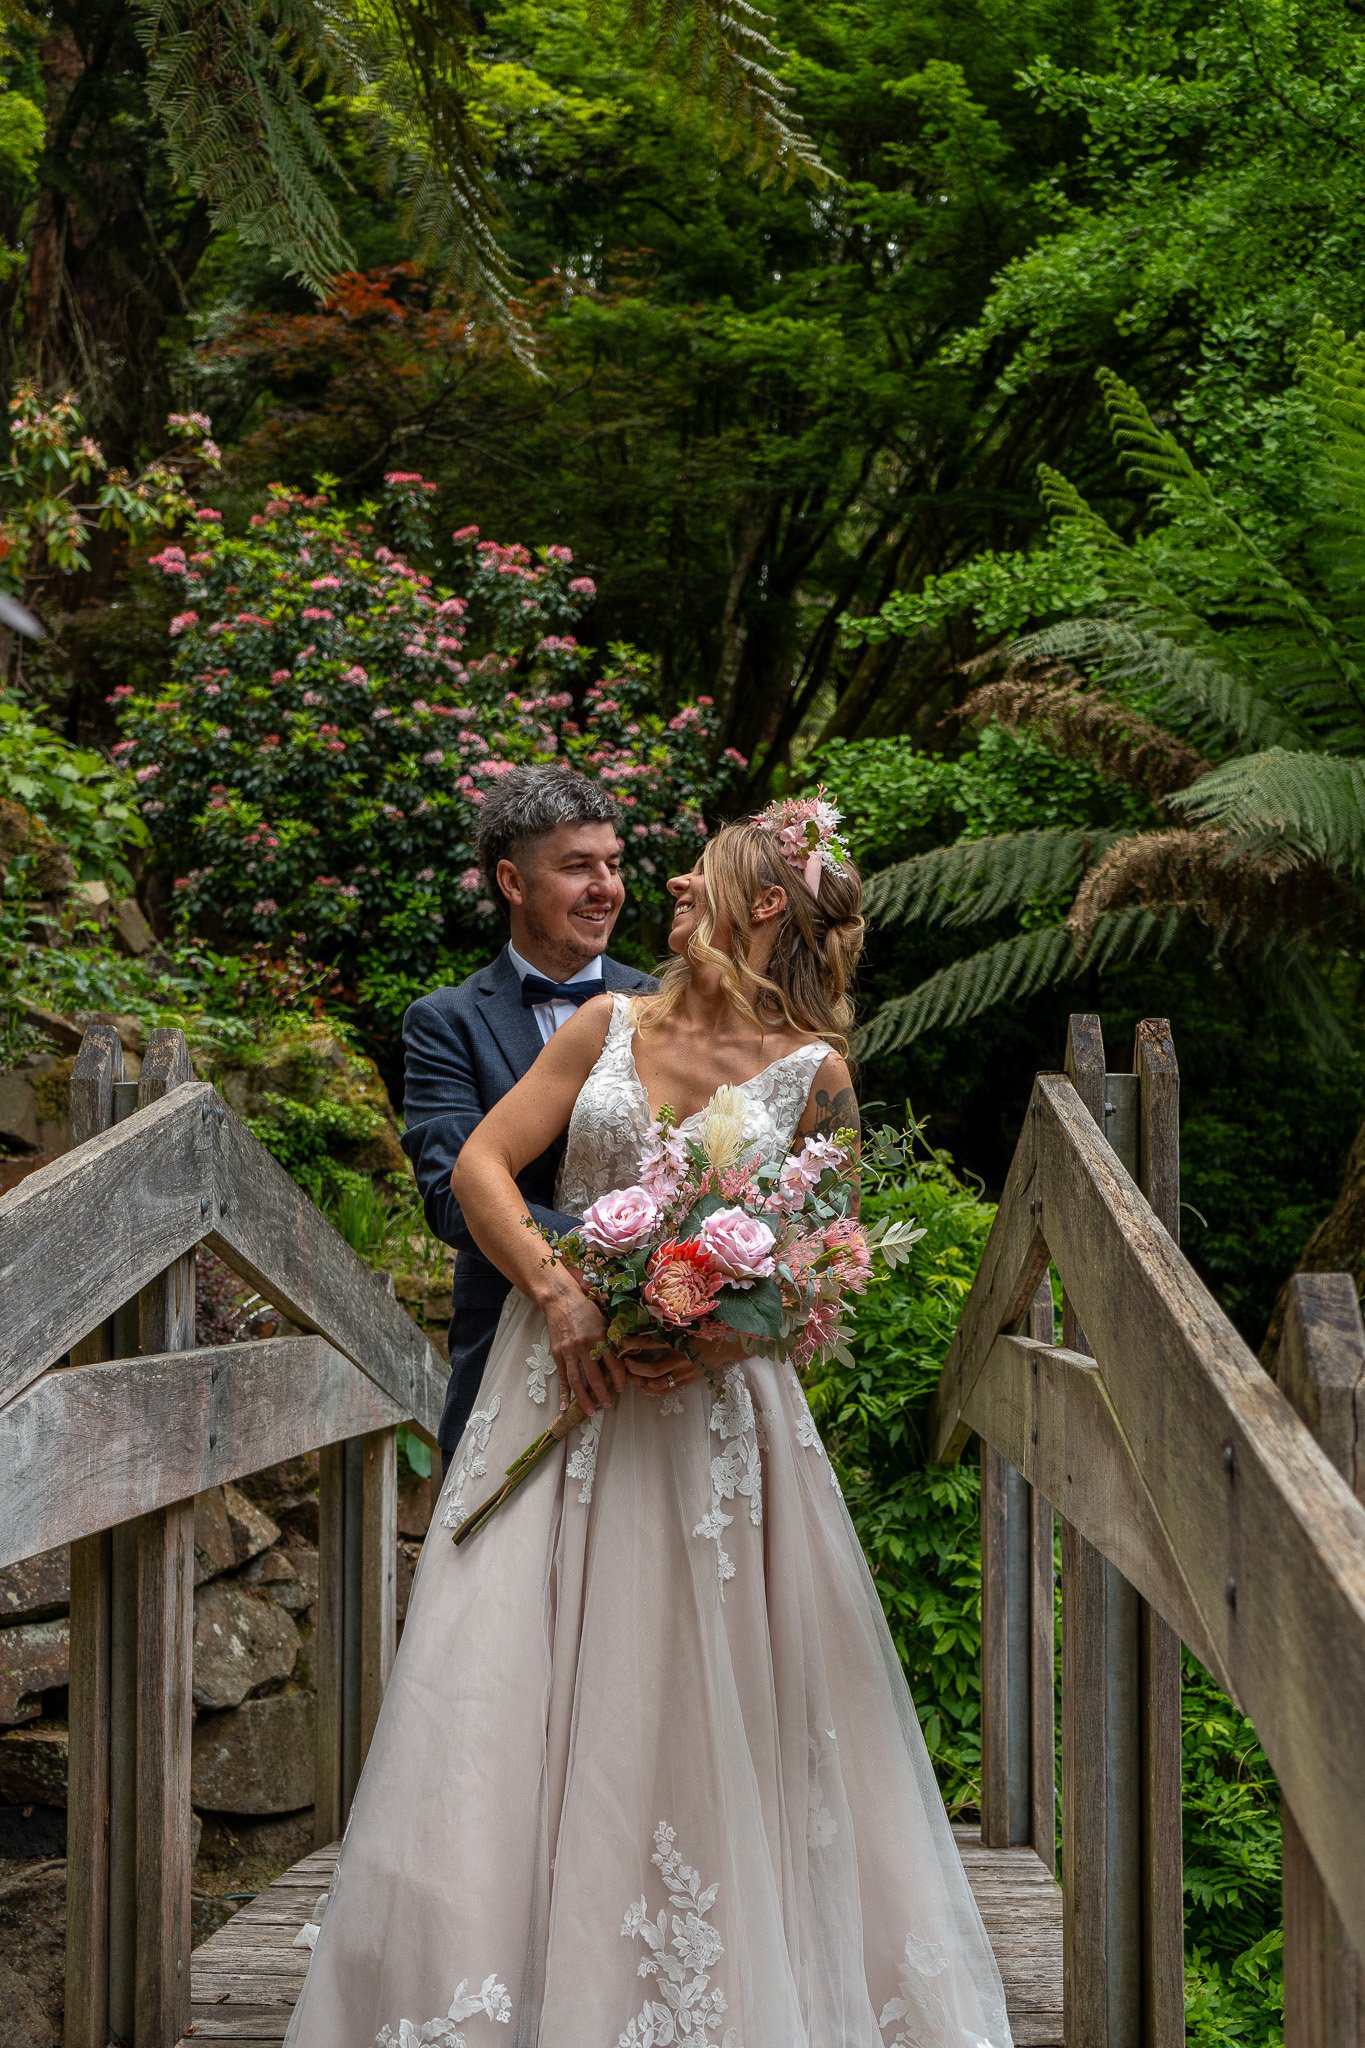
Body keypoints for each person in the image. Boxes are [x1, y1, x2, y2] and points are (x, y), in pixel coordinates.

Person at [284, 805, 1014, 2048]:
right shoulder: (603, 1022)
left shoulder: (818, 1072)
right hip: (555, 1388)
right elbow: (479, 1168)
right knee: (505, 1682)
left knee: (695, 1689)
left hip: (711, 1428)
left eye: (702, 867)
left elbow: (825, 1267)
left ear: (765, 904)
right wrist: (567, 1292)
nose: (667, 878)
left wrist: (711, 1328)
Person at [401, 765, 656, 1464]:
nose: (605, 888)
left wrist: (675, 1291)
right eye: (577, 867)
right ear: (513, 883)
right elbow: (452, 1195)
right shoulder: (447, 1021)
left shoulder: (667, 1005)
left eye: (611, 864)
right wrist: (634, 1258)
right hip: (509, 1341)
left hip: (657, 1354)